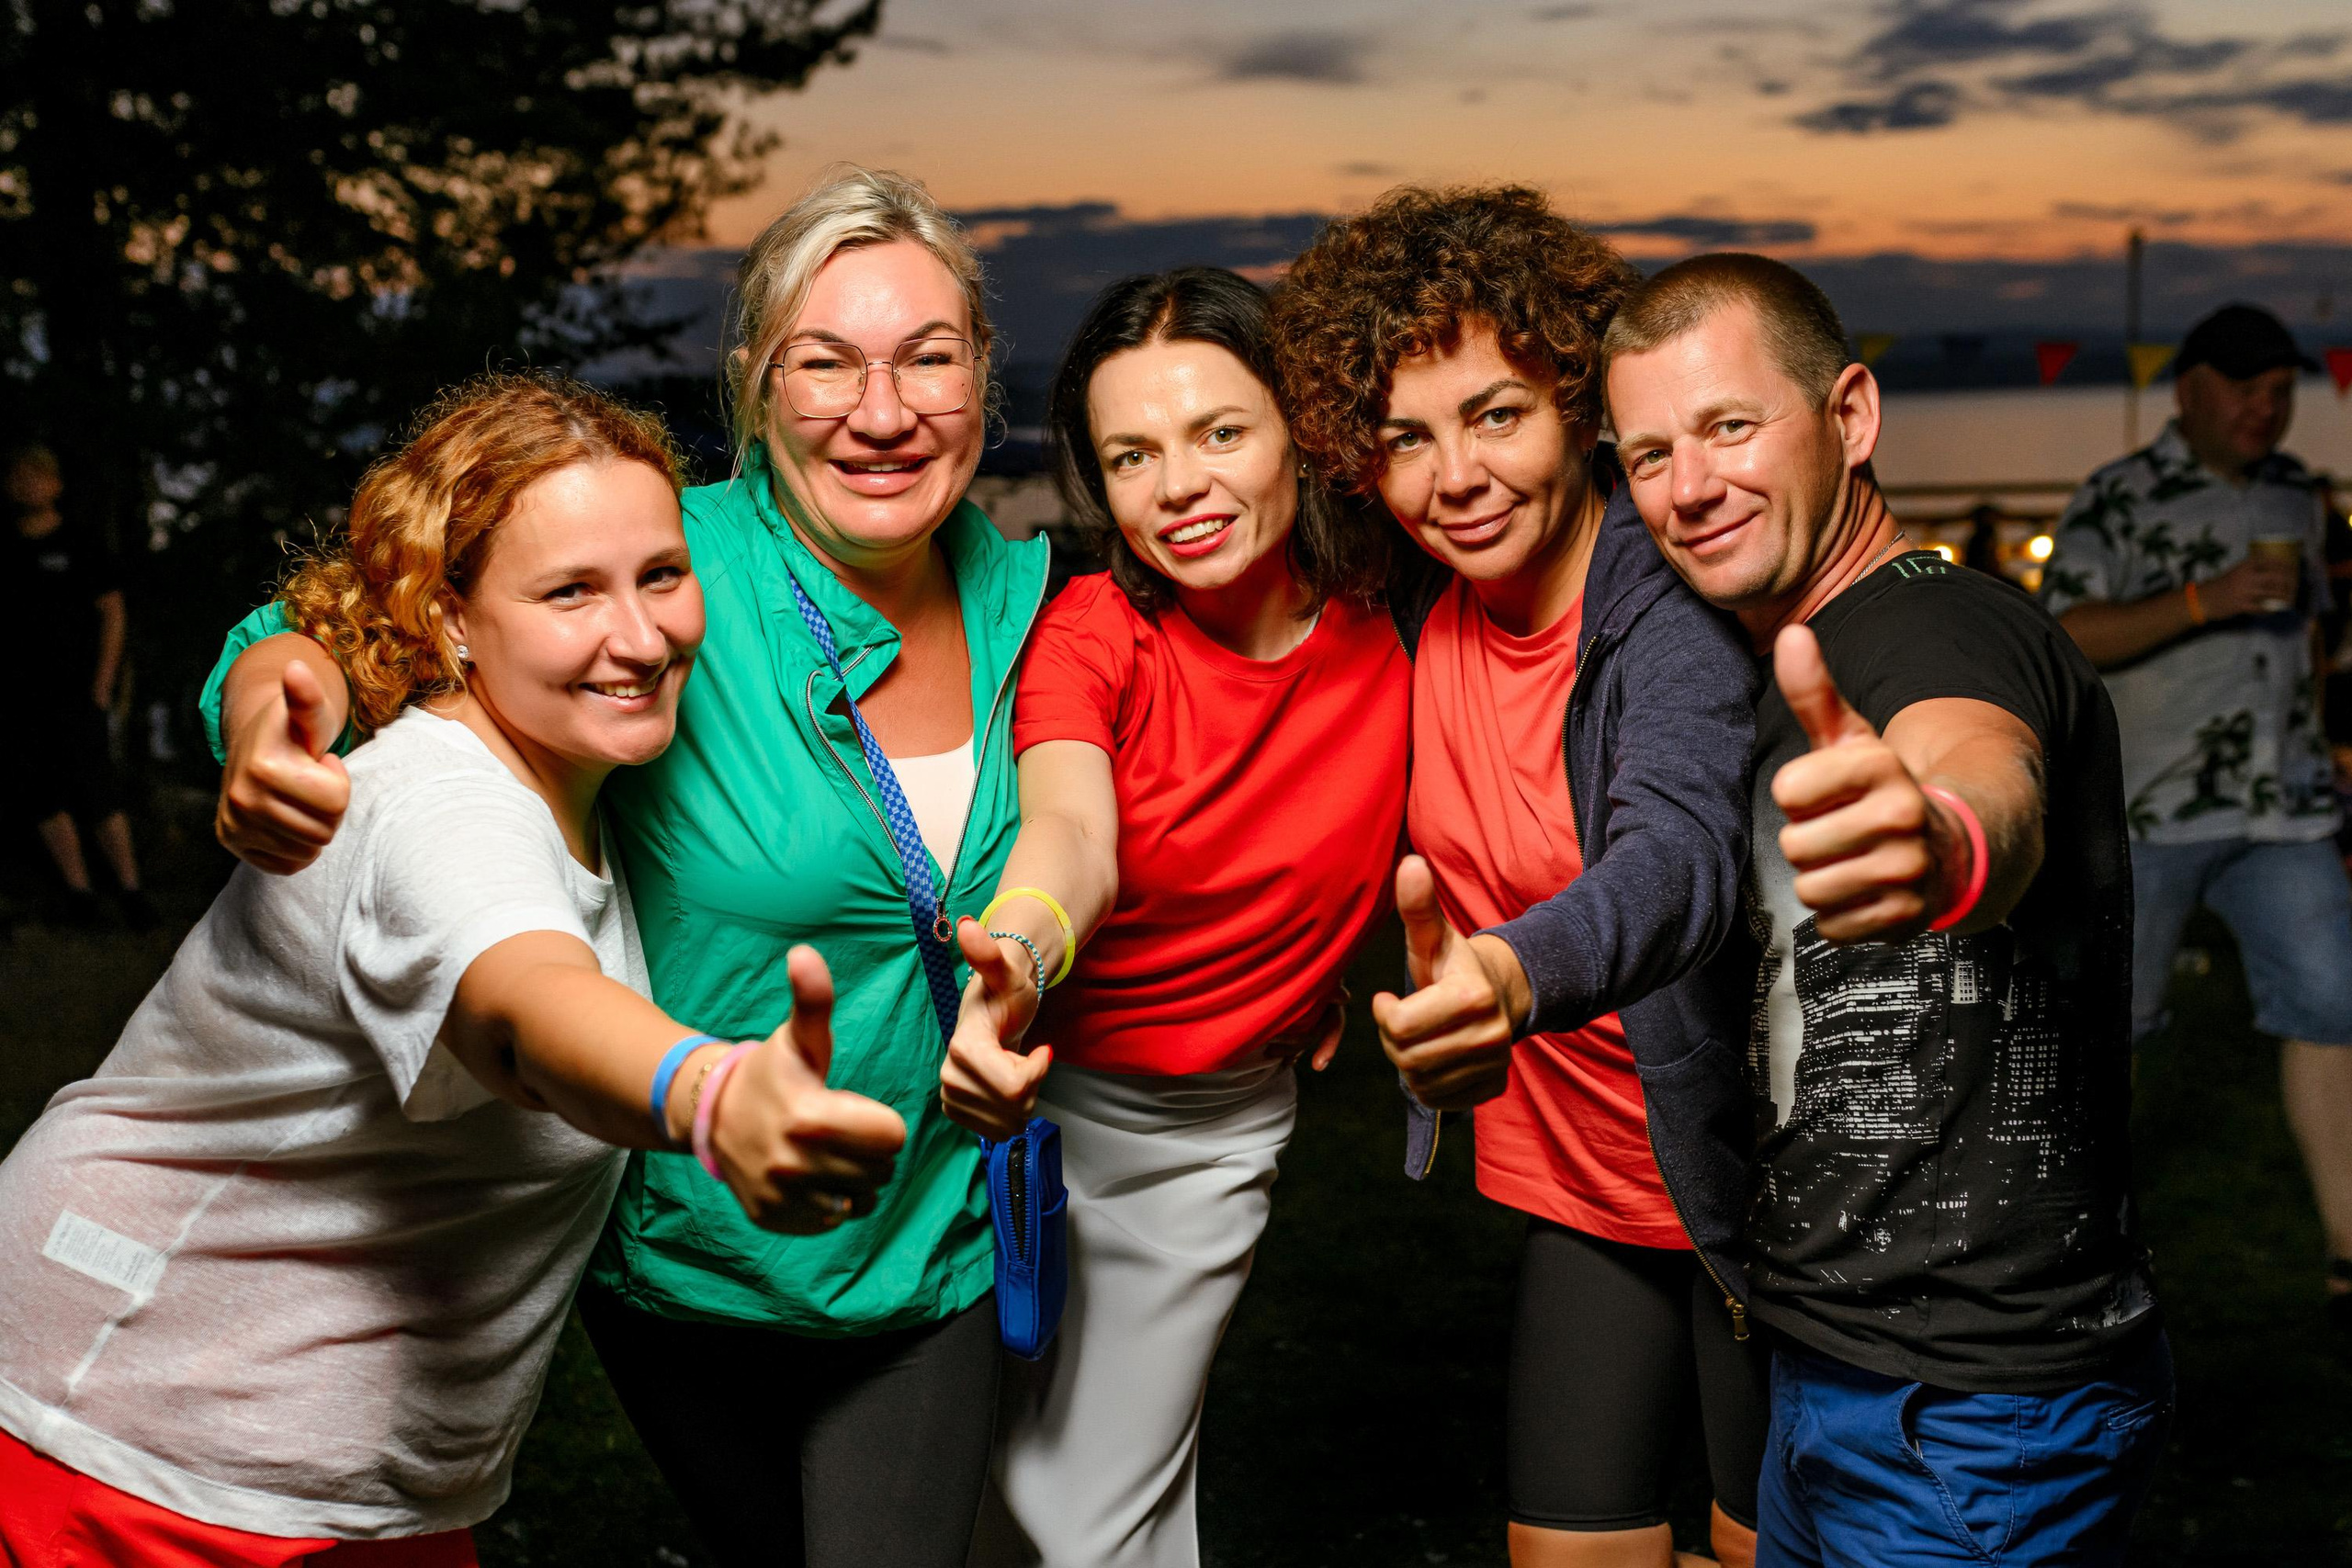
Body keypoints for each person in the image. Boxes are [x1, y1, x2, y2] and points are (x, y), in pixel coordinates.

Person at [202, 168, 1046, 1568]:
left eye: (928, 357)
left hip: (933, 1243)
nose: (883, 411)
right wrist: (266, 725)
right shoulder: (661, 564)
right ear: (755, 380)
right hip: (687, 1259)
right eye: (825, 363)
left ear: (982, 374)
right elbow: (316, 630)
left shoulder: (1033, 601)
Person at [0, 373, 905, 1567]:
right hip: (124, 1433)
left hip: (332, 1470)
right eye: (570, 590)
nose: (640, 636)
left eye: (660, 575)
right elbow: (526, 1002)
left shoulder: (582, 781)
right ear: (454, 619)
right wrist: (710, 1092)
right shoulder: (441, 808)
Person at [1605, 253, 2168, 1565]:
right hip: (1835, 1368)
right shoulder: (1785, 651)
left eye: (1729, 426)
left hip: (1970, 1417)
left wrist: (1947, 846)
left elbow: (1981, 765)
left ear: (1850, 416)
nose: (1688, 487)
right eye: (1648, 455)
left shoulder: (1944, 626)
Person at [1275, 185, 1766, 1568]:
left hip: (1754, 1189)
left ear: (1579, 404)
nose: (1456, 477)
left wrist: (1505, 970)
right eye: (1405, 437)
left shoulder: (1667, 613)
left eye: (1496, 414)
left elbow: (1680, 858)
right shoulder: (1417, 596)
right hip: (1586, 1181)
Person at [944, 267, 1407, 1568]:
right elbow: (1073, 835)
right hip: (1041, 1111)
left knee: (1080, 1509)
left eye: (1219, 432)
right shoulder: (1093, 632)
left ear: (1298, 433)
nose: (1179, 487)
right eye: (1131, 455)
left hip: (1208, 1136)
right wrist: (1019, 949)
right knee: (1023, 1503)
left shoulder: (1397, 610)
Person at [2039, 302, 2352, 1324]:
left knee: (2335, 1004)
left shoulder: (2297, 492)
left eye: (2281, 391)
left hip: (2284, 810)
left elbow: (2310, 635)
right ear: (2189, 391)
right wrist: (2200, 601)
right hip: (2149, 806)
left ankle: (2349, 1249)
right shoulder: (2120, 495)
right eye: (2246, 389)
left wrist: (2315, 730)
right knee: (2112, 1031)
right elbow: (2065, 634)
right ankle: (2072, 1246)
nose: (2267, 407)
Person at [2, 443, 157, 929]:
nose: (28, 484)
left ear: (56, 485)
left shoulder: (81, 543)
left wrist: (103, 684)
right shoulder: (7, 547)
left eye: (38, 476)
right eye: (20, 476)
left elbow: (113, 613)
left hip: (77, 691)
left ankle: (131, 892)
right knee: (42, 794)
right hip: (21, 696)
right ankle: (79, 894)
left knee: (97, 789)